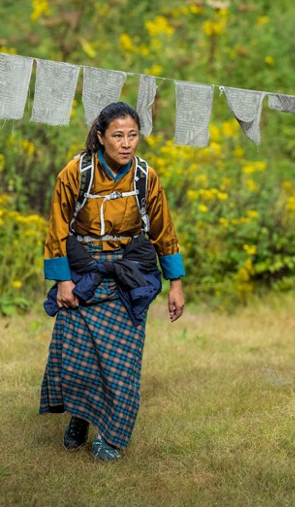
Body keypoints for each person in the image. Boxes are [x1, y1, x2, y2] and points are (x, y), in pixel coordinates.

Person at [38, 101, 185, 461]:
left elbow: (164, 230)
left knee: (122, 363)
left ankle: (110, 435)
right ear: (100, 136)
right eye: (117, 135)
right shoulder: (76, 172)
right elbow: (57, 228)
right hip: (83, 273)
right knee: (77, 358)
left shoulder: (144, 177)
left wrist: (176, 283)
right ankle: (80, 418)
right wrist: (63, 283)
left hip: (128, 276)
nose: (126, 143)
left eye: (132, 135)